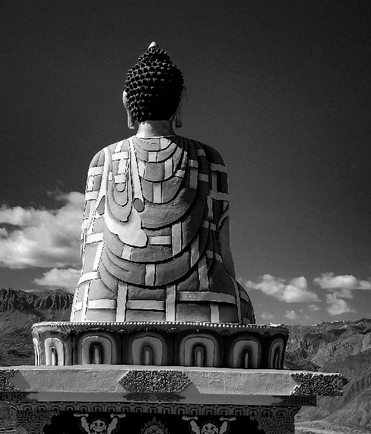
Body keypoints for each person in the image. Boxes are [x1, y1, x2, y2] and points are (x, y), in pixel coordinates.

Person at [70, 41, 255, 325]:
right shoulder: (210, 159)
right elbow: (223, 251)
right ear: (179, 103)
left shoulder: (102, 160)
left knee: (86, 308)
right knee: (237, 311)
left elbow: (89, 250)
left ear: (126, 102)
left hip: (102, 304)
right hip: (205, 305)